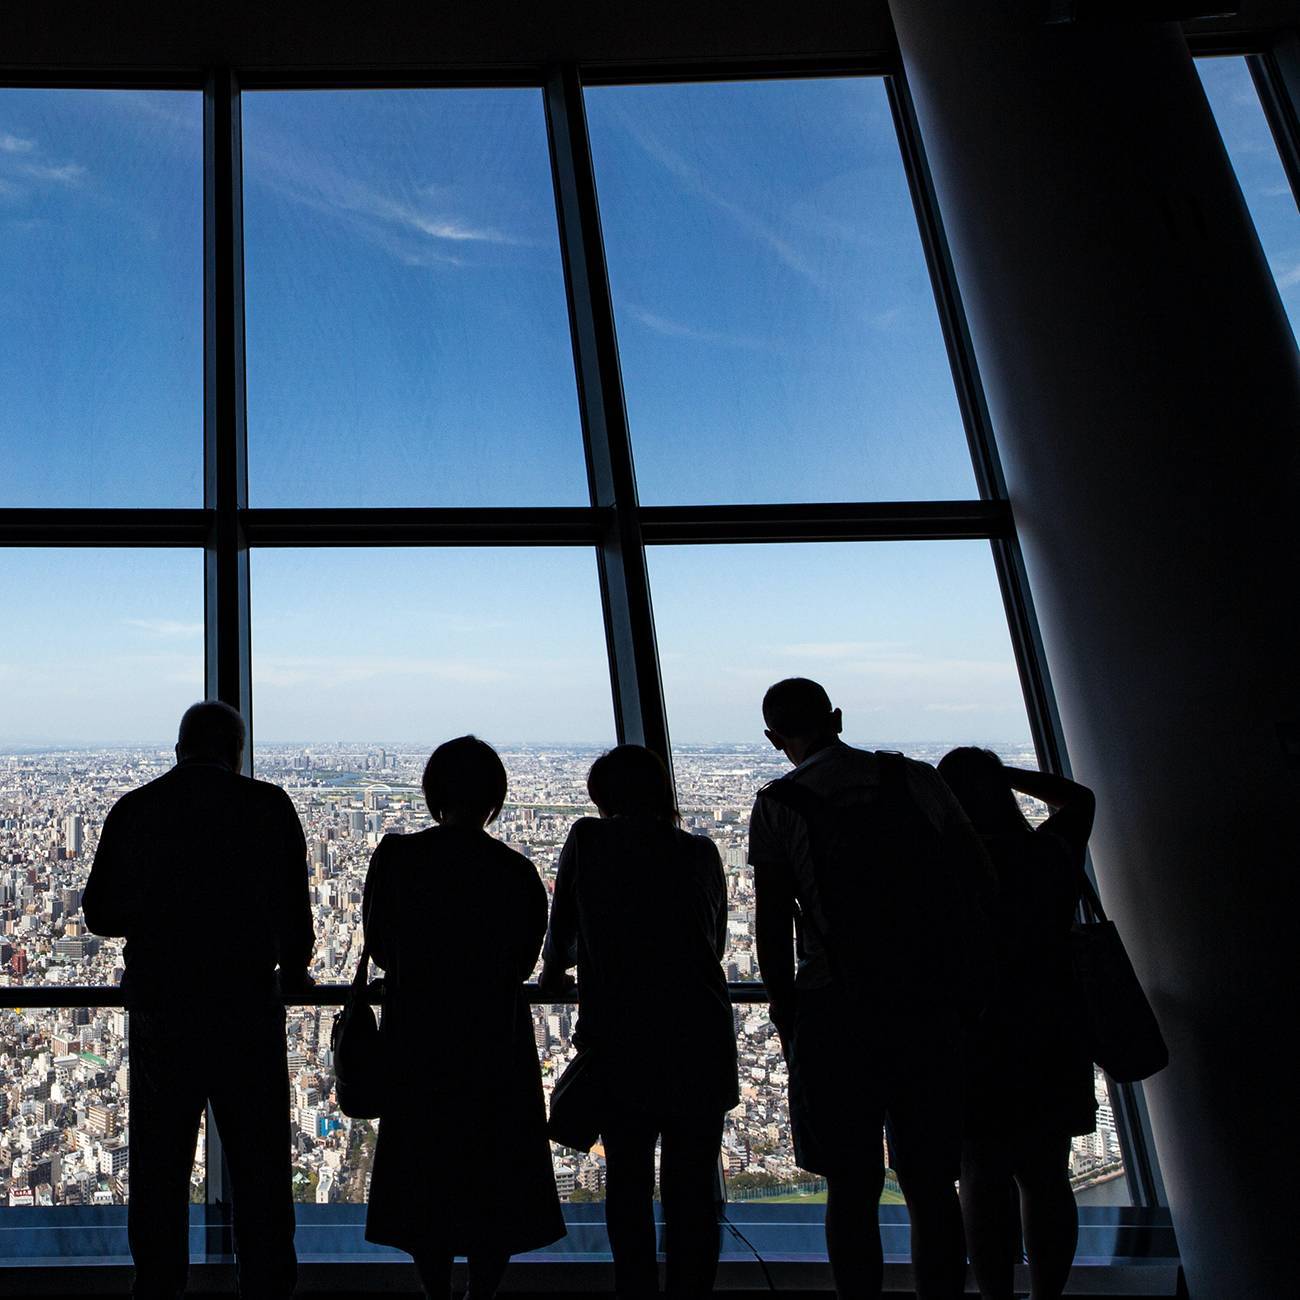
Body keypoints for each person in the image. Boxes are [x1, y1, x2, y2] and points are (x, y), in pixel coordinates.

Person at [749, 678, 994, 1300]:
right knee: (932, 1183)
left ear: (775, 739)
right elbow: (976, 881)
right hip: (928, 1004)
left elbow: (773, 924)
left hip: (836, 1009)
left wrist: (786, 1011)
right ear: (836, 716)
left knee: (851, 1187)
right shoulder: (915, 779)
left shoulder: (780, 802)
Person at [83, 700, 311, 1300]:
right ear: (236, 752)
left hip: (165, 1009)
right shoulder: (268, 807)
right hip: (247, 1008)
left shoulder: (137, 808)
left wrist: (161, 917)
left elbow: (100, 913)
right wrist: (295, 966)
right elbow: (296, 915)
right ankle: (267, 1289)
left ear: (178, 747)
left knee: (160, 1166)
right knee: (260, 1165)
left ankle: (158, 1288)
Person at [362, 735, 563, 1299]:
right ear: (495, 798)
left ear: (433, 793)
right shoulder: (518, 872)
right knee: (492, 1174)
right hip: (495, 1041)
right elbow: (523, 961)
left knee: (425, 1169)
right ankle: (483, 1294)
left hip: (418, 1036)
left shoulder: (399, 858)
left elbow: (379, 947)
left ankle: (436, 1294)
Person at [539, 744, 738, 1297]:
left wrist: (556, 975)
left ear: (602, 797)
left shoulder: (589, 839)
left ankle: (636, 1293)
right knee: (693, 1187)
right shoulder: (701, 852)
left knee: (628, 1181)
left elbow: (562, 931)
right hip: (700, 1035)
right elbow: (714, 943)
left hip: (623, 1040)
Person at [936, 748, 1097, 1300]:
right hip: (1051, 1025)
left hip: (973, 1032)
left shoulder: (944, 869)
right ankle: (1048, 1296)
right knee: (1048, 1175)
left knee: (980, 1176)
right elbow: (1078, 799)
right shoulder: (1050, 852)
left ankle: (996, 1296)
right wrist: (998, 774)